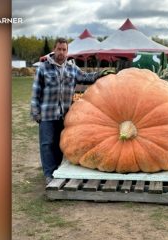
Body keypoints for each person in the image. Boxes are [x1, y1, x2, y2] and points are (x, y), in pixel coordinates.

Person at [30, 37, 114, 185]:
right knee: (47, 144)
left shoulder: (72, 68)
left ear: (67, 51)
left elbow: (86, 77)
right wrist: (36, 113)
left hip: (65, 115)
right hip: (47, 114)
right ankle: (49, 173)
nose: (61, 52)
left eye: (64, 49)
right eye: (59, 49)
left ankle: (56, 169)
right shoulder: (43, 68)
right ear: (54, 49)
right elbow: (36, 92)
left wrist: (100, 74)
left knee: (60, 143)